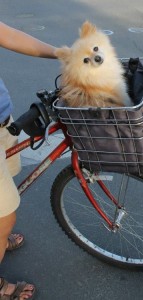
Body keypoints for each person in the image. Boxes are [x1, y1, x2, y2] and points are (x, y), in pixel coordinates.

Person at [0, 21, 58, 299]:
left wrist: (61, 52)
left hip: (2, 121)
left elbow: (7, 34)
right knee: (4, 218)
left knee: (9, 176)